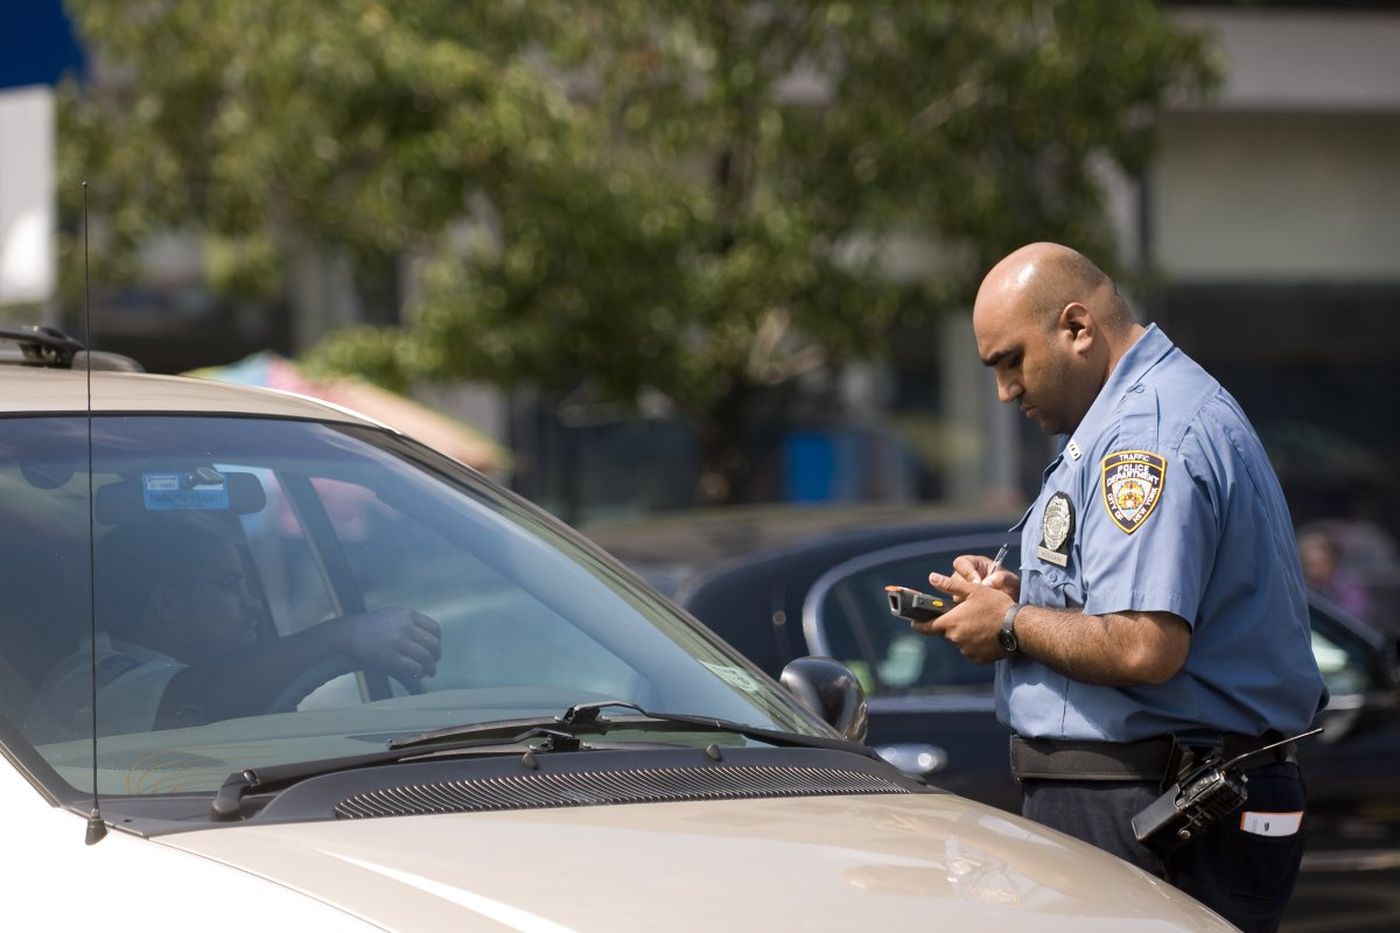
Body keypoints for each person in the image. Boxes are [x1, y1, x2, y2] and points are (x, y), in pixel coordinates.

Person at [914, 242, 1326, 933]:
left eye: (1011, 360)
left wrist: (1012, 623)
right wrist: (1013, 598)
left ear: (1077, 328)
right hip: (1150, 797)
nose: (1005, 390)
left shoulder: (1147, 432)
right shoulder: (1127, 417)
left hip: (1161, 802)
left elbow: (1144, 644)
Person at [29, 516, 441, 740]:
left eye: (246, 585)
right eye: (230, 586)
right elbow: (198, 701)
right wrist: (343, 634)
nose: (253, 603)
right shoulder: (89, 678)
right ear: (167, 601)